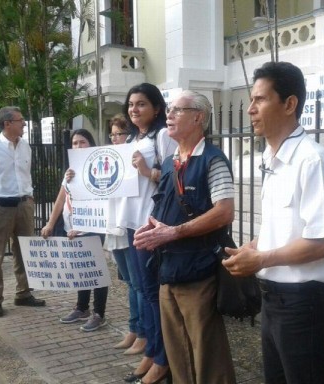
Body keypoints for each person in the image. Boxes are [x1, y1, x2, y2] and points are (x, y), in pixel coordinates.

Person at [222, 61, 324, 384]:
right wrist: (254, 247)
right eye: (251, 100)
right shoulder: (271, 159)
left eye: (260, 99)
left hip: (304, 306)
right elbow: (285, 227)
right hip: (272, 299)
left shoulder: (313, 160)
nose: (250, 109)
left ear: (289, 104)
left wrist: (261, 258)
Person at [134, 90, 237, 383]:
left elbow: (225, 212)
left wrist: (174, 232)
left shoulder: (213, 160)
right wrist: (153, 228)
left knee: (206, 352)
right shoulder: (169, 162)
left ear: (198, 117)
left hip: (198, 270)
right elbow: (164, 207)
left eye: (178, 110)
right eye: (169, 109)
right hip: (168, 268)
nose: (169, 115)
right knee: (178, 351)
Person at [119, 83, 177, 384]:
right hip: (131, 221)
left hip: (149, 224)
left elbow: (171, 180)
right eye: (131, 104)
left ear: (156, 108)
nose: (134, 109)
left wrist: (147, 171)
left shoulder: (163, 136)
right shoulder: (132, 138)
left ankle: (162, 358)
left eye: (141, 103)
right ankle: (152, 351)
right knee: (142, 290)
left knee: (153, 295)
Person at [41, 129, 109, 332]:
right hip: (72, 228)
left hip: (92, 227)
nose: (79, 146)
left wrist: (82, 228)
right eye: (75, 143)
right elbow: (61, 199)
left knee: (95, 270)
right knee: (81, 268)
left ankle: (99, 313)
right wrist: (50, 224)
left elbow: (102, 203)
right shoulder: (70, 171)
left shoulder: (100, 168)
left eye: (83, 142)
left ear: (92, 144)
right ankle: (81, 308)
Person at [0, 106, 45, 318]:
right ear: (7, 123)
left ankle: (24, 293)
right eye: (20, 120)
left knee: (25, 251)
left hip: (23, 204)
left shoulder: (25, 146)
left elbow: (25, 174)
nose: (24, 124)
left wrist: (30, 196)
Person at [106, 114, 147, 352]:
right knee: (129, 283)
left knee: (138, 283)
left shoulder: (133, 159)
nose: (114, 139)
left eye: (118, 134)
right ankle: (133, 329)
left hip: (128, 224)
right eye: (111, 134)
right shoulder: (110, 159)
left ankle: (142, 333)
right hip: (113, 227)